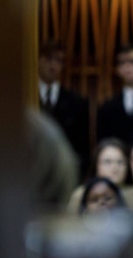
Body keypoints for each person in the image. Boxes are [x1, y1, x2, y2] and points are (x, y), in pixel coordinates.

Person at [38, 39, 90, 180]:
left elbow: (82, 147)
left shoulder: (77, 102)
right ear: (38, 60)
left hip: (65, 173)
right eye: (49, 59)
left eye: (59, 61)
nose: (53, 65)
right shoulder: (26, 97)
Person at [66, 137, 133, 214]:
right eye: (107, 162)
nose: (115, 168)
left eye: (120, 162)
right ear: (96, 165)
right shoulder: (81, 194)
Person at [96, 43, 133, 147]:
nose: (127, 67)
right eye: (122, 63)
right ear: (117, 69)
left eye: (132, 61)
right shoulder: (108, 107)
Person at [78, 176, 133, 242]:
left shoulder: (132, 228)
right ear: (85, 205)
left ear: (118, 201)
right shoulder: (77, 232)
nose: (101, 203)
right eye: (94, 200)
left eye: (107, 198)